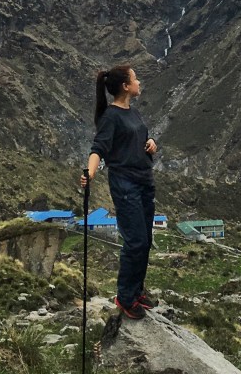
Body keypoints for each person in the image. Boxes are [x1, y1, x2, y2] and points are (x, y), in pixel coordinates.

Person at [81, 65, 158, 320]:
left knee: (144, 240)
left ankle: (136, 291)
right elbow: (98, 148)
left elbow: (138, 138)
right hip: (126, 184)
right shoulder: (111, 117)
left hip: (144, 181)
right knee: (135, 241)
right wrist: (90, 173)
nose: (139, 82)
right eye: (135, 79)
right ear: (125, 86)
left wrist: (151, 143)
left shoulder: (132, 112)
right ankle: (125, 297)